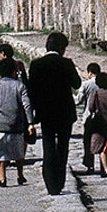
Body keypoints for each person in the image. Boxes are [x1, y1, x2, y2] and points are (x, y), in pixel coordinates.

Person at [27, 31, 82, 195]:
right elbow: (77, 83)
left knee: (48, 147)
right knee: (63, 147)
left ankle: (51, 184)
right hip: (65, 112)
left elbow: (32, 90)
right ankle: (60, 181)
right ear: (62, 48)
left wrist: (36, 110)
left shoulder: (36, 64)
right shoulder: (66, 63)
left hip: (46, 112)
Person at [0, 56, 34, 187]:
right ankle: (20, 174)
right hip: (16, 123)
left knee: (1, 151)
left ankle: (2, 177)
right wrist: (30, 122)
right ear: (14, 72)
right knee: (18, 151)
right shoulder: (20, 86)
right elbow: (27, 105)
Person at [84, 71, 107, 177]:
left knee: (98, 145)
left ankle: (101, 168)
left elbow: (90, 108)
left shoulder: (96, 93)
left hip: (99, 123)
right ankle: (105, 167)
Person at [77, 62, 101, 172]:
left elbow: (79, 100)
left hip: (89, 117)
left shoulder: (86, 84)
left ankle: (90, 164)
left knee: (88, 141)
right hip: (103, 117)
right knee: (102, 140)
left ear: (90, 73)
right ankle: (104, 165)